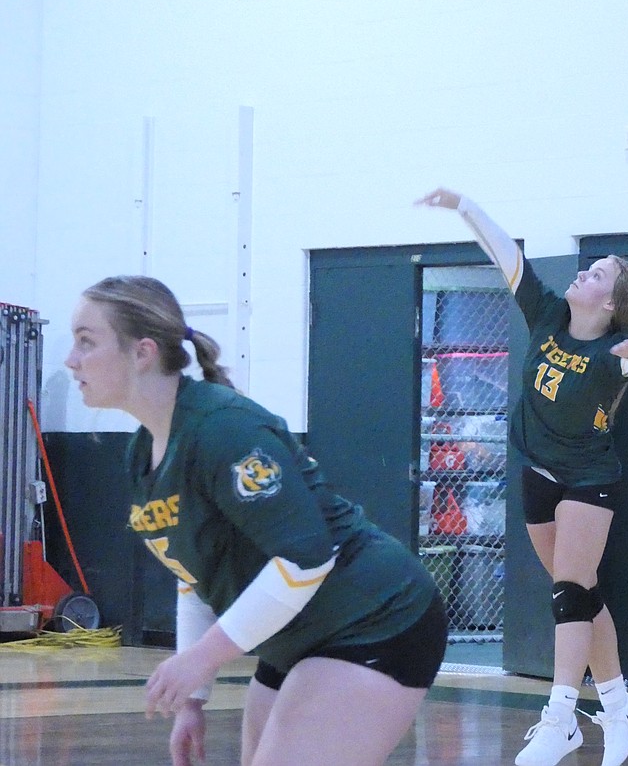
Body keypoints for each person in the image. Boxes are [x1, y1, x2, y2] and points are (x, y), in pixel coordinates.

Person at [64, 276, 447, 766]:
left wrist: (199, 660)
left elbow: (305, 558)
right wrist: (193, 697)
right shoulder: (144, 451)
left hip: (373, 616)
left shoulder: (223, 430)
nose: (71, 360)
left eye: (86, 341)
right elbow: (194, 575)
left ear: (142, 353)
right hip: (297, 634)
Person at [417, 188, 628, 766]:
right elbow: (507, 255)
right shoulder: (548, 313)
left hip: (588, 479)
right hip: (537, 472)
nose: (583, 273)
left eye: (597, 273)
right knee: (578, 595)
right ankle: (620, 705)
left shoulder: (611, 352)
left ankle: (559, 721)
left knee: (570, 594)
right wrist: (465, 207)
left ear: (610, 302)